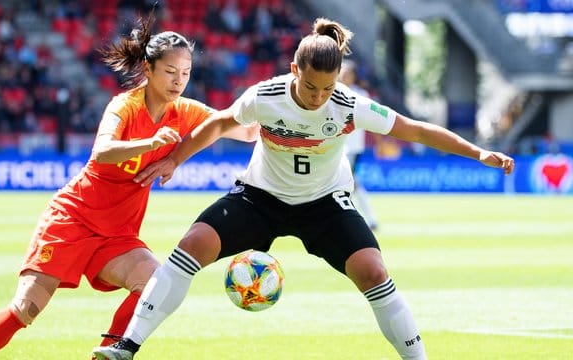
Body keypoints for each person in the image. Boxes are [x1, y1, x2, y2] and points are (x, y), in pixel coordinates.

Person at [93, 18, 515, 360]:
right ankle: (126, 347)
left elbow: (414, 129)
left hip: (325, 205)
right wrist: (174, 158)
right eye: (311, 87)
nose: (318, 98)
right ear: (295, 71)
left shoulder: (348, 104)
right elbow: (220, 122)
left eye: (328, 89)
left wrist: (478, 153)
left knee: (375, 272)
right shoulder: (266, 96)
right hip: (260, 197)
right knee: (191, 245)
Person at [0, 12, 256, 360]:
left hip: (117, 235)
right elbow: (101, 152)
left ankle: (108, 354)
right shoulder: (124, 106)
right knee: (26, 308)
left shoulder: (185, 110)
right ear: (149, 70)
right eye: (171, 72)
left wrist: (268, 105)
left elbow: (244, 131)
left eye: (186, 73)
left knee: (155, 285)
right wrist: (150, 144)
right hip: (73, 220)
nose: (179, 81)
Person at [339, 59, 379, 230]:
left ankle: (367, 219)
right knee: (346, 182)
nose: (343, 75)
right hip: (337, 147)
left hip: (352, 147)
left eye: (347, 73)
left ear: (353, 76)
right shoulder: (332, 92)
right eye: (341, 72)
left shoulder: (360, 94)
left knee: (350, 182)